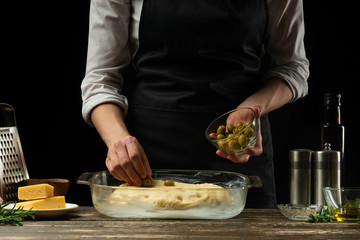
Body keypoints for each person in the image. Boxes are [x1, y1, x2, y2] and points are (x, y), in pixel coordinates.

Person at [81, 0, 309, 208]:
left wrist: (254, 107)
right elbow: (100, 80)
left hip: (239, 158)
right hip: (147, 165)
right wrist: (118, 140)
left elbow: (292, 67)